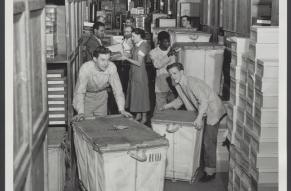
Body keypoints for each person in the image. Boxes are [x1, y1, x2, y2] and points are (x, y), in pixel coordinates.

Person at [161, 62, 226, 182]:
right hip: (203, 110)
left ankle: (210, 172)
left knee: (208, 141)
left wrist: (199, 118)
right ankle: (204, 164)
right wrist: (167, 106)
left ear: (181, 72)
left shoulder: (192, 83)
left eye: (175, 73)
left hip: (213, 110)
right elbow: (181, 99)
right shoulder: (178, 84)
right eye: (171, 74)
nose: (173, 76)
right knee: (203, 140)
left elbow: (204, 101)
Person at [72, 46, 132, 121]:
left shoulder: (111, 67)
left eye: (108, 60)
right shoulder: (86, 68)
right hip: (87, 99)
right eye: (102, 60)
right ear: (95, 59)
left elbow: (118, 90)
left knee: (102, 124)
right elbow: (80, 92)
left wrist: (121, 109)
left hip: (102, 98)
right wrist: (80, 112)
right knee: (87, 125)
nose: (106, 63)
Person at [120, 28, 150, 124]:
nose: (132, 38)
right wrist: (122, 54)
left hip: (140, 74)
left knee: (142, 95)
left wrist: (126, 59)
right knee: (136, 94)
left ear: (139, 36)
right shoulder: (136, 46)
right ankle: (138, 115)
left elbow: (139, 63)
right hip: (134, 73)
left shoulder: (143, 46)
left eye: (133, 36)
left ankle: (144, 117)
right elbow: (132, 55)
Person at [149, 31, 177, 111]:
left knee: (173, 109)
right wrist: (168, 55)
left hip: (173, 85)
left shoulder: (172, 50)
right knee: (160, 109)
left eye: (169, 41)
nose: (168, 43)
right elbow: (157, 65)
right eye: (165, 41)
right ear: (159, 42)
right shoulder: (153, 52)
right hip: (161, 85)